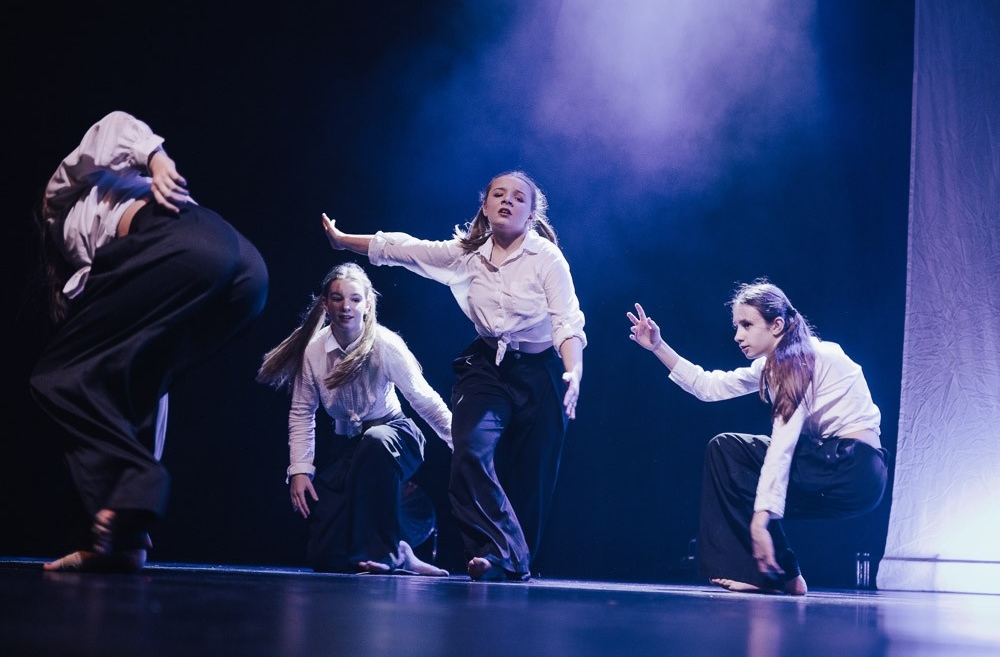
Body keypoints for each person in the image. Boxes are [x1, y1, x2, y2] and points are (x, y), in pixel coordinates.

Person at [29, 111, 268, 573]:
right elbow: (147, 392)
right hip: (244, 272)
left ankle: (135, 486)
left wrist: (155, 159)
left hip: (185, 239)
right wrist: (132, 518)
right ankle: (124, 537)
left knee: (57, 375)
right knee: (137, 377)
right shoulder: (99, 273)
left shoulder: (57, 204)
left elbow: (110, 128)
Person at [321, 171, 586, 581]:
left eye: (519, 198)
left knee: (530, 474)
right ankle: (499, 555)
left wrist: (574, 371)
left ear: (532, 215)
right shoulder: (466, 255)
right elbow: (404, 248)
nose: (507, 201)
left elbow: (567, 322)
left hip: (541, 371)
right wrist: (343, 241)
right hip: (487, 367)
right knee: (470, 448)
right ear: (485, 206)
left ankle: (512, 561)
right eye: (499, 194)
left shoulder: (547, 259)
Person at [627, 280, 887, 595]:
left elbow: (783, 443)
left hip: (849, 466)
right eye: (737, 326)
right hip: (857, 477)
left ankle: (759, 575)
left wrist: (760, 519)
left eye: (747, 325)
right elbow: (708, 386)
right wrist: (658, 346)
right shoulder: (773, 365)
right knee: (734, 464)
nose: (738, 335)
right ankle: (785, 574)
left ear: (776, 325)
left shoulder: (803, 358)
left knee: (730, 451)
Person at [257, 262, 452, 575]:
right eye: (337, 298)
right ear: (326, 304)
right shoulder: (314, 351)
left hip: (395, 437)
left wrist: (461, 443)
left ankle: (387, 554)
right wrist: (300, 469)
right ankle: (403, 549)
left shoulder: (385, 344)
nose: (346, 306)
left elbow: (423, 398)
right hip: (348, 446)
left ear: (367, 304)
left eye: (355, 299)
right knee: (325, 558)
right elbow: (302, 412)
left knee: (375, 443)